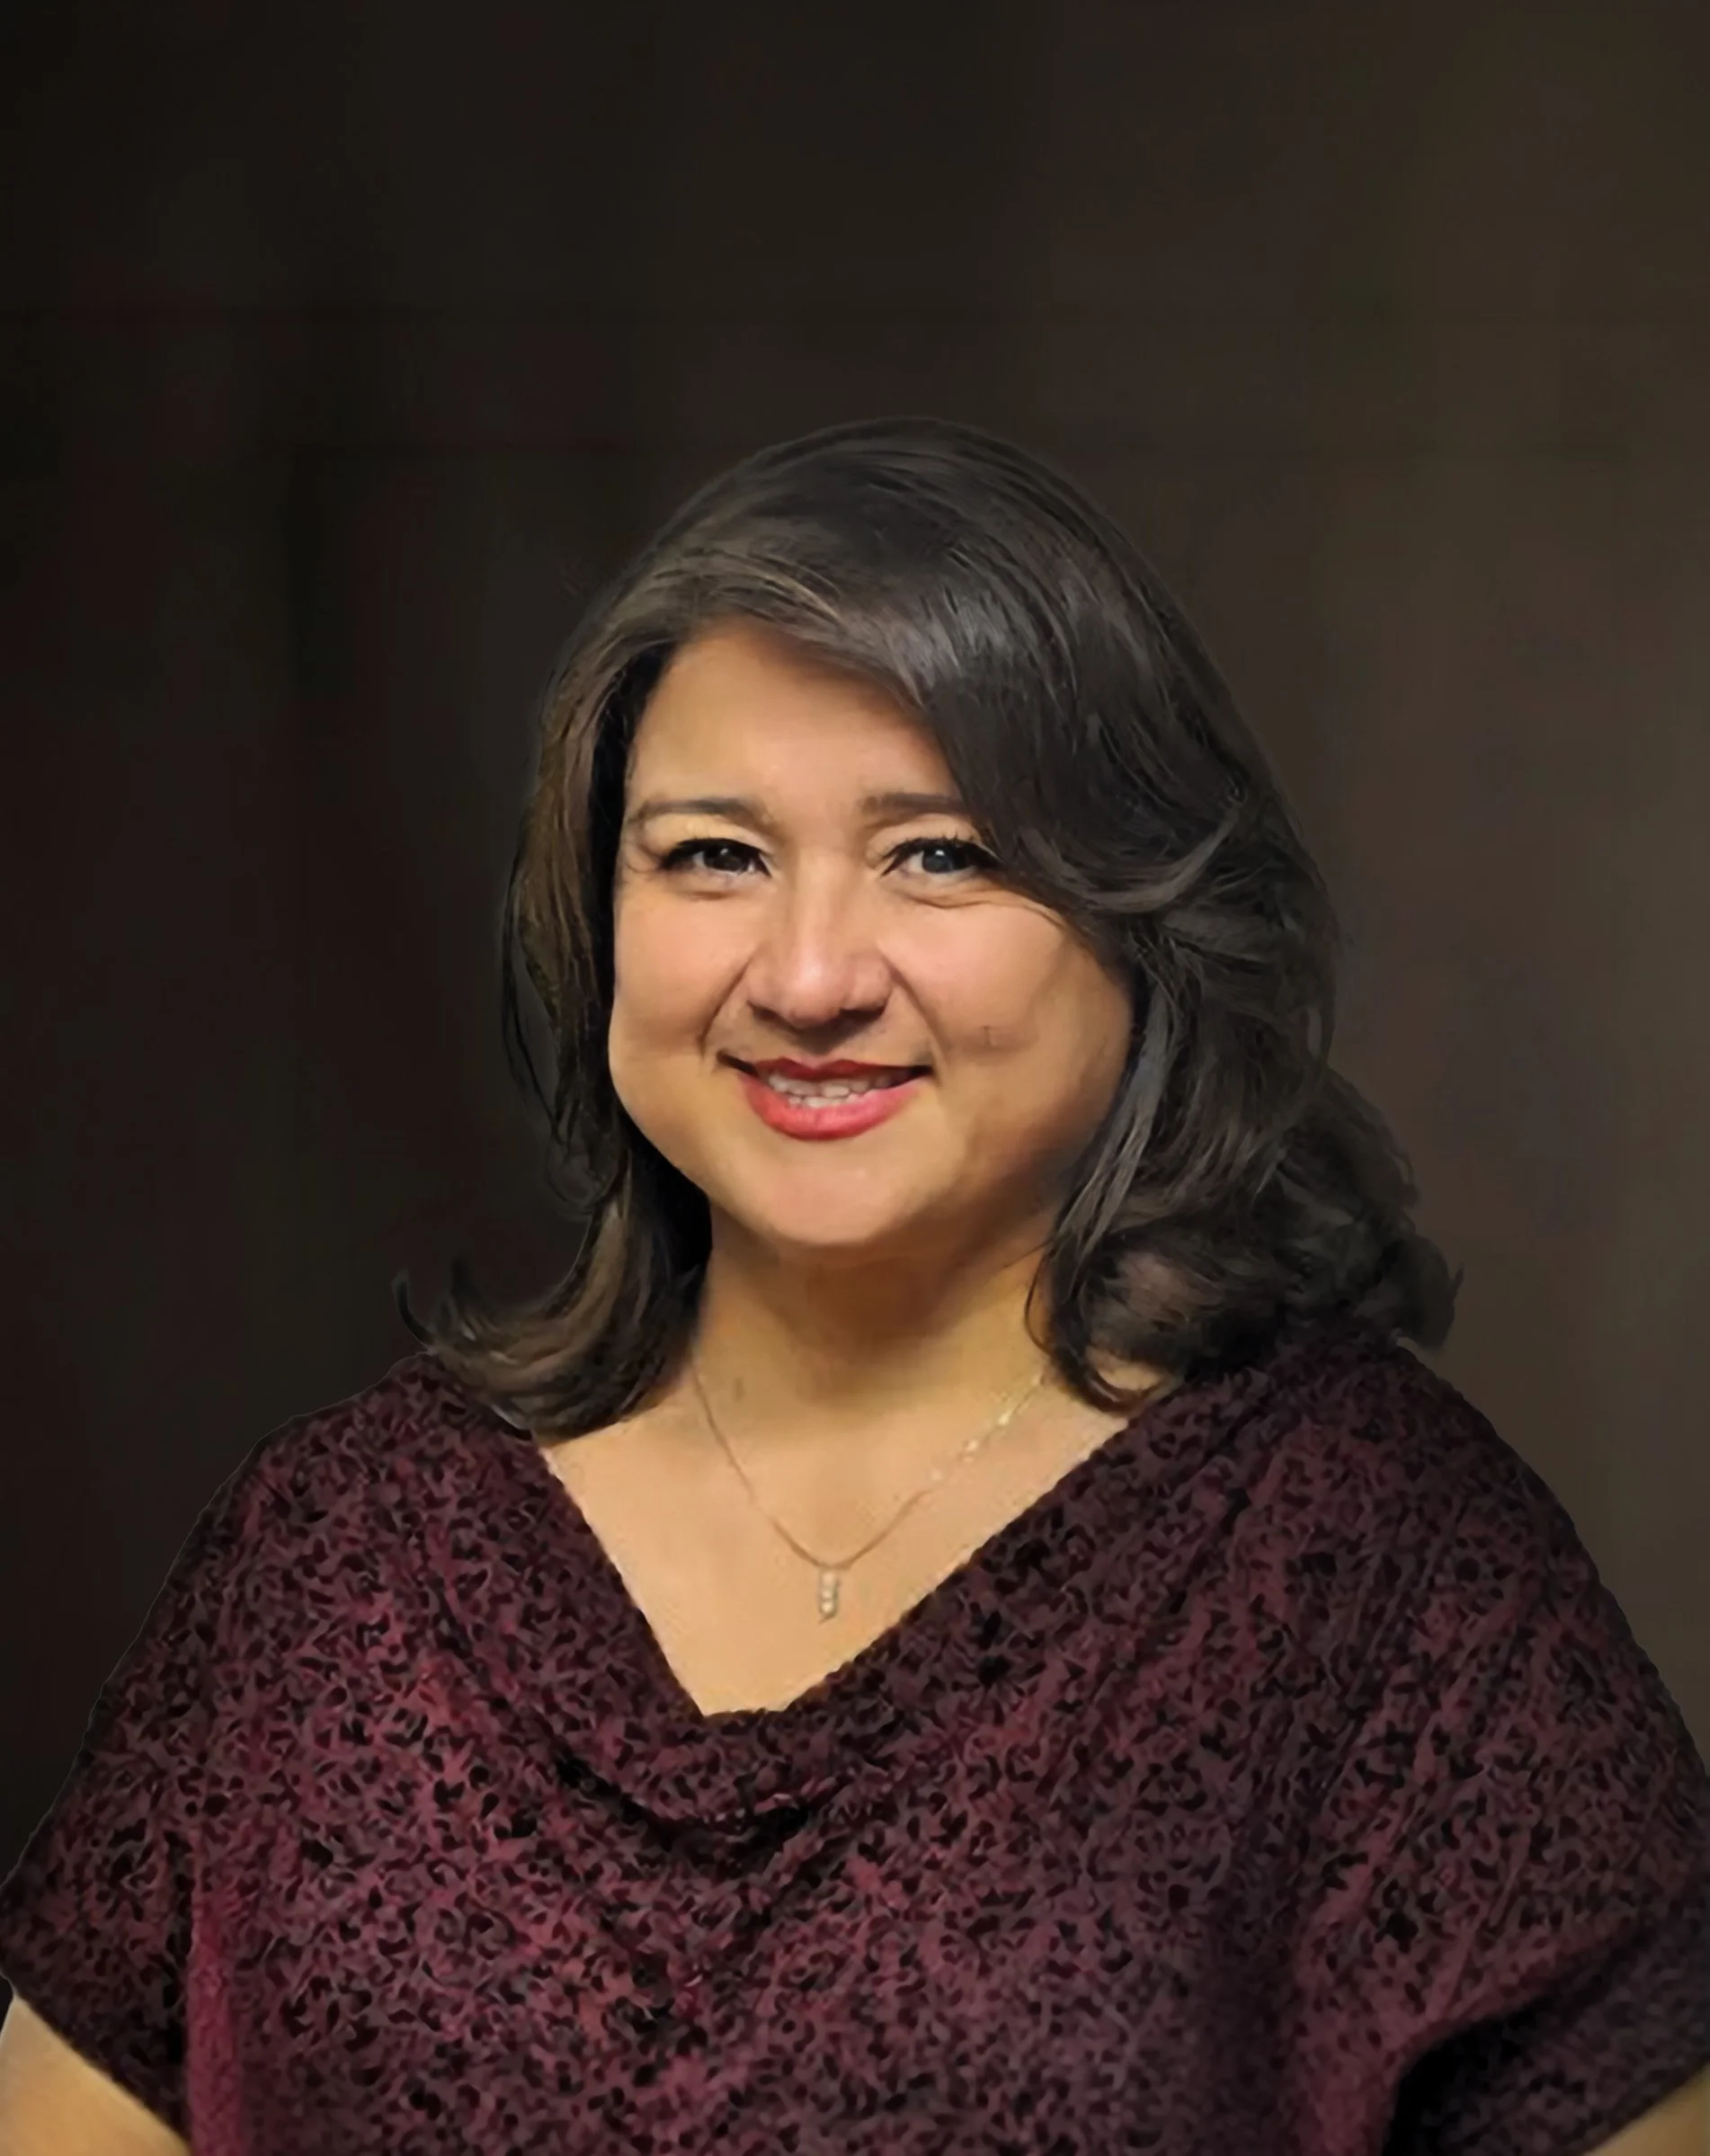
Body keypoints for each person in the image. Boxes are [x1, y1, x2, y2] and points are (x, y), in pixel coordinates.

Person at [0, 417, 1703, 2156]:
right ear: (597, 919)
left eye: (942, 853)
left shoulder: (1382, 1565)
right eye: (712, 855)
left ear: (1146, 919)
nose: (809, 976)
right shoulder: (334, 1560)